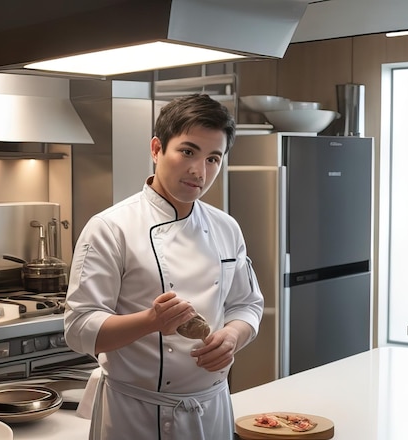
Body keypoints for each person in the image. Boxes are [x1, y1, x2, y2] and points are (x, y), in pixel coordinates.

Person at [64, 93, 264, 440]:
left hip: (211, 409)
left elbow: (247, 304)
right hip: (136, 416)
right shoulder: (111, 227)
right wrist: (151, 322)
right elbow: (79, 329)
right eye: (188, 152)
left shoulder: (225, 227)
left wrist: (232, 336)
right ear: (156, 149)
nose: (199, 171)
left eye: (213, 159)